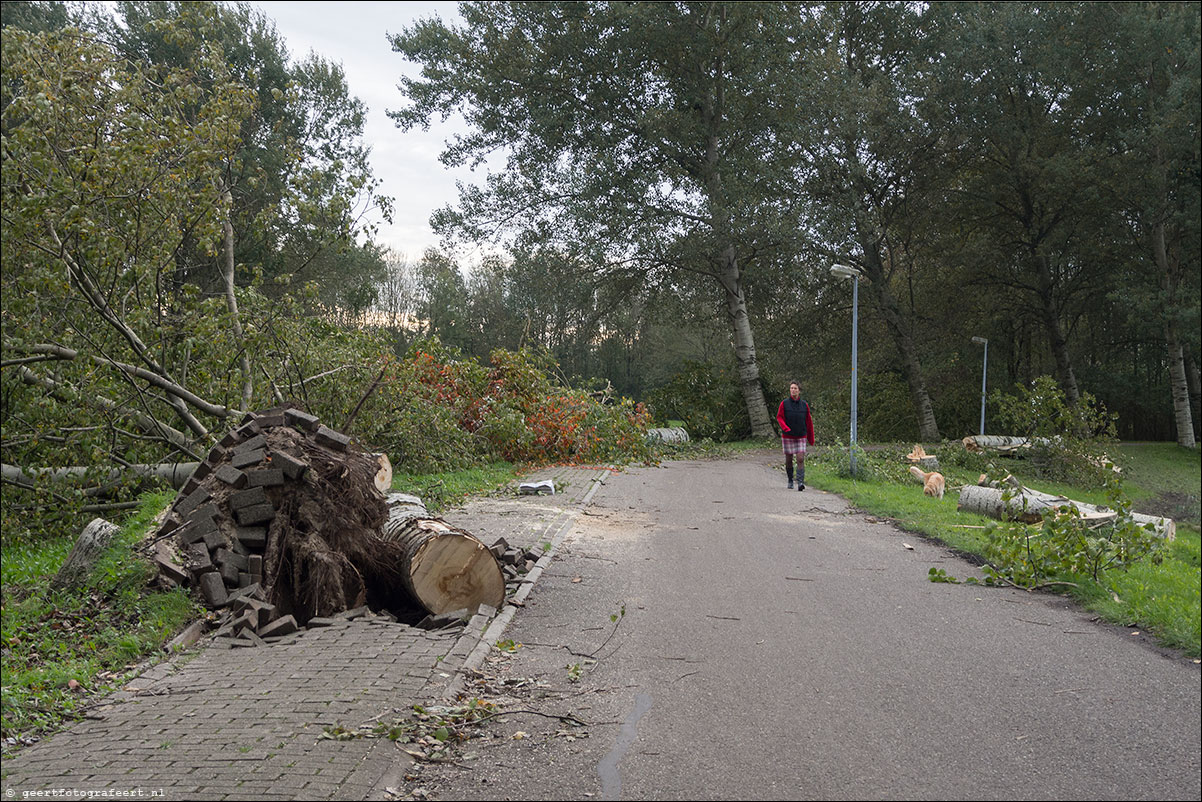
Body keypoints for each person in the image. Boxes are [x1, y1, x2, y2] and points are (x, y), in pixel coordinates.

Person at [777, 381, 814, 491]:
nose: (793, 390)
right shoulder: (784, 404)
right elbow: (779, 417)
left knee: (800, 458)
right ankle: (790, 480)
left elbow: (809, 421)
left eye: (795, 388)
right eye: (791, 388)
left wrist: (811, 437)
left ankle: (800, 482)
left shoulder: (804, 405)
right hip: (788, 435)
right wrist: (785, 427)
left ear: (799, 391)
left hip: (801, 435)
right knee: (789, 459)